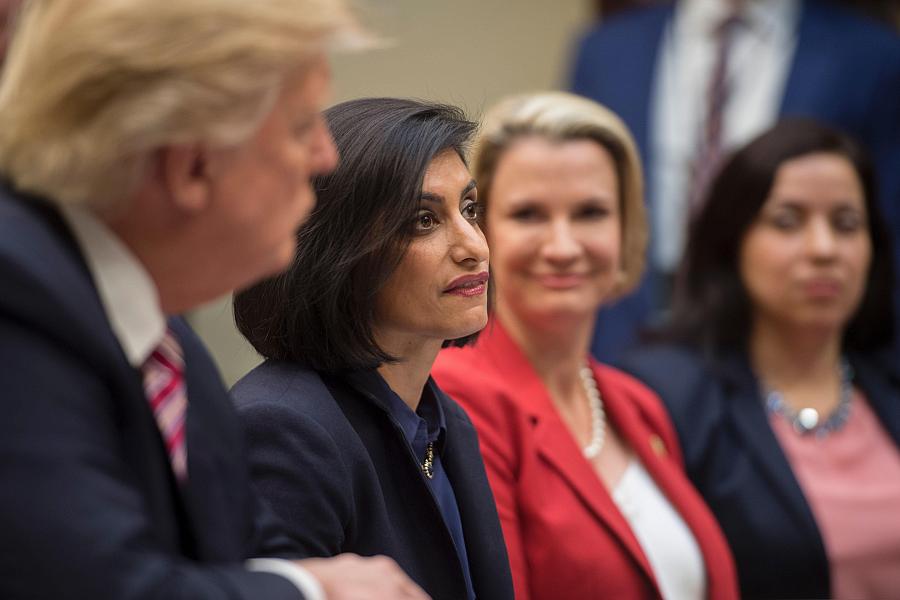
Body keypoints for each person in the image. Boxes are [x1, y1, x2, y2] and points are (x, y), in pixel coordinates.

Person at [0, 2, 428, 599]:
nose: (325, 158)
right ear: (191, 163)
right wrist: (315, 593)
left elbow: (244, 543)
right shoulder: (17, 303)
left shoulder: (162, 333)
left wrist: (305, 579)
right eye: (302, 126)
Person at [431, 91, 738, 600]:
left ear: (626, 229)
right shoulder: (457, 395)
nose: (562, 246)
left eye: (590, 212)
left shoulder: (637, 404)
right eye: (528, 214)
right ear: (479, 230)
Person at [231, 97, 515, 600]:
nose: (474, 245)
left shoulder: (443, 418)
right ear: (339, 255)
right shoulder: (282, 428)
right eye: (424, 220)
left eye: (470, 210)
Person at [622, 120, 900, 599]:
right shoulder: (669, 394)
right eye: (788, 221)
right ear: (733, 240)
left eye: (846, 224)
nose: (823, 249)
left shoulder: (888, 380)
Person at [569, 0, 900, 362]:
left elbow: (884, 221)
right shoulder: (606, 49)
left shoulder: (869, 56)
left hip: (788, 350)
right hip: (624, 335)